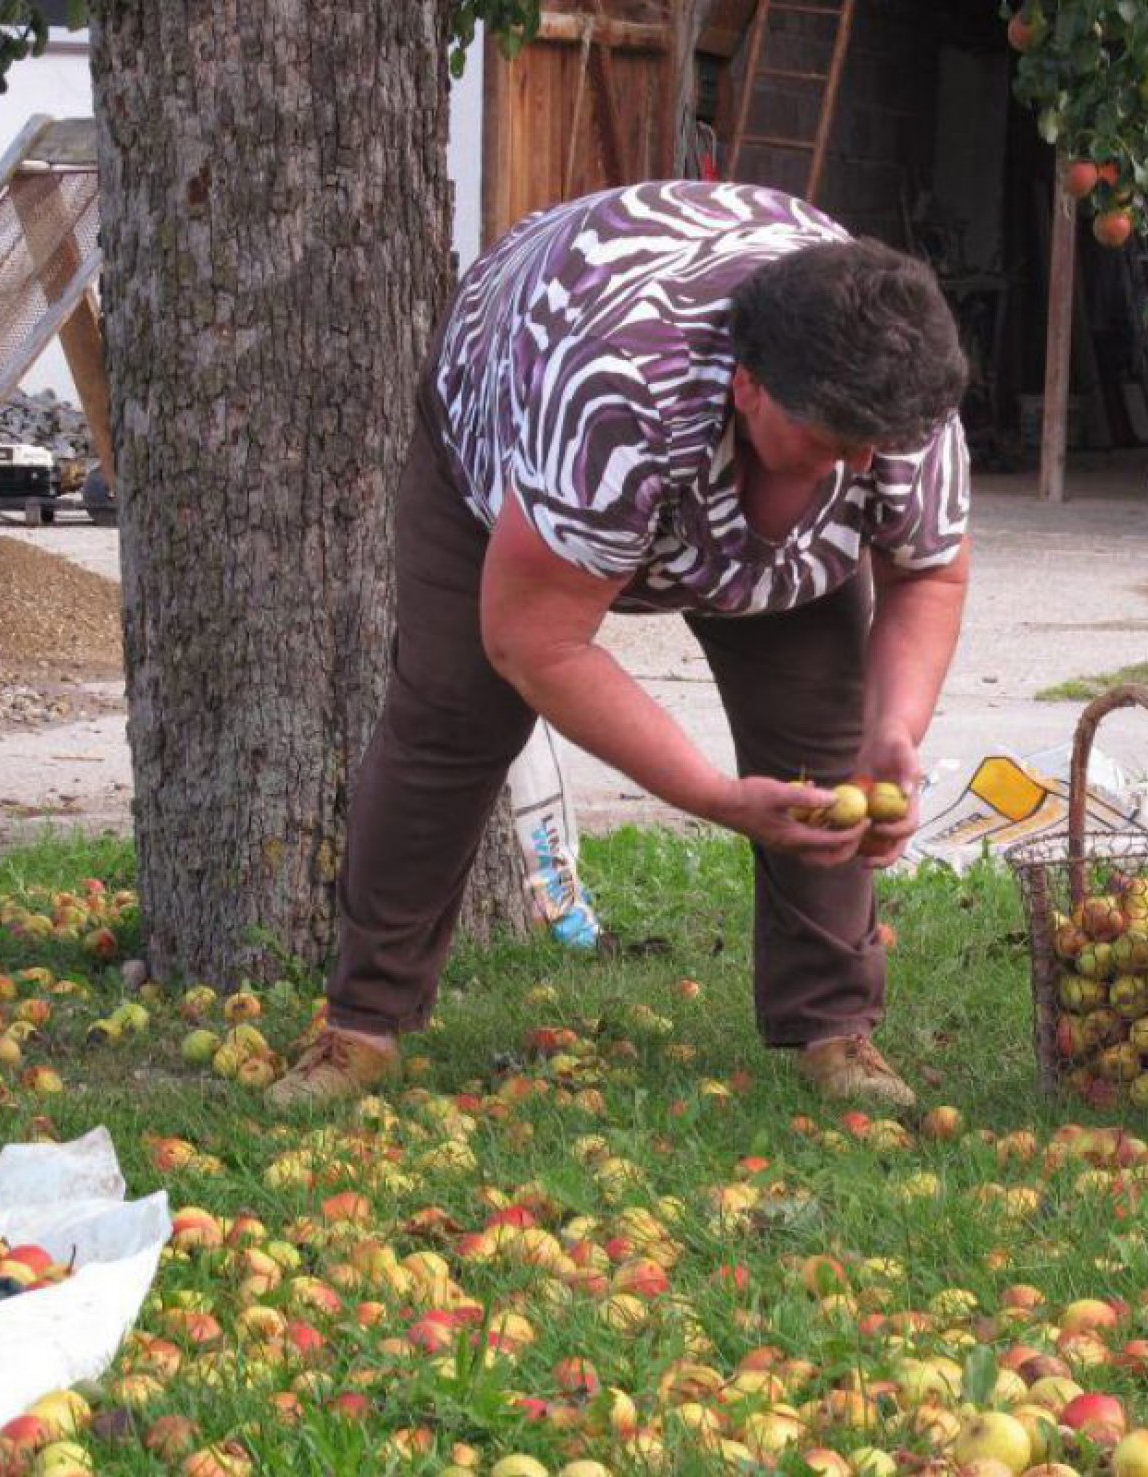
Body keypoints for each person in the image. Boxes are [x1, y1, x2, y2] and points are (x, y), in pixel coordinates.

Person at [270, 180, 972, 1112]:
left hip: (715, 463)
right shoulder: (621, 385)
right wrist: (713, 798)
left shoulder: (894, 402)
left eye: (876, 448)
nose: (859, 470)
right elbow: (536, 639)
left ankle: (835, 1031)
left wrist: (896, 730)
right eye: (833, 443)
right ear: (748, 387)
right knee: (454, 713)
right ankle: (362, 1024)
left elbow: (928, 573)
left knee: (825, 730)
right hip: (518, 405)